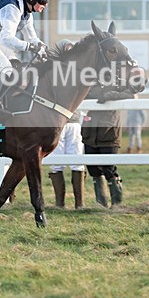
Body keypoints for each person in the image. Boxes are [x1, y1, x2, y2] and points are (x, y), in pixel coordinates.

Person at [82, 82, 135, 207]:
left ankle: (116, 204)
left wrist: (111, 95)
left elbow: (130, 95)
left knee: (109, 168)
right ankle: (101, 204)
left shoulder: (119, 83)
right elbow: (84, 94)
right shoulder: (92, 84)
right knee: (93, 169)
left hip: (108, 131)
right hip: (91, 130)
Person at [47, 39, 86, 208]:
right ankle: (59, 203)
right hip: (57, 122)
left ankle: (79, 203)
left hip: (74, 121)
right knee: (57, 161)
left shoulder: (79, 71)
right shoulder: (53, 72)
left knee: (77, 159)